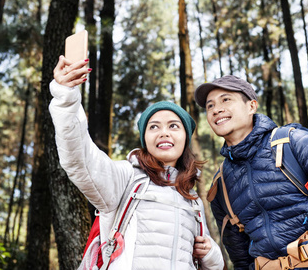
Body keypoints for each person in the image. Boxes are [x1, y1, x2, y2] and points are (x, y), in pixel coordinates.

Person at [49, 55, 224, 270]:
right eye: (154, 127)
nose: (163, 133)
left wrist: (212, 255)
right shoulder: (126, 177)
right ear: (145, 139)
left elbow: (207, 263)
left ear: (185, 139)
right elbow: (80, 159)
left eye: (173, 126)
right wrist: (66, 96)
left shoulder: (192, 199)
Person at [194, 75, 308, 270]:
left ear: (251, 106)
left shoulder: (294, 143)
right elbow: (241, 260)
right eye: (210, 106)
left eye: (226, 99)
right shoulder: (222, 184)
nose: (216, 109)